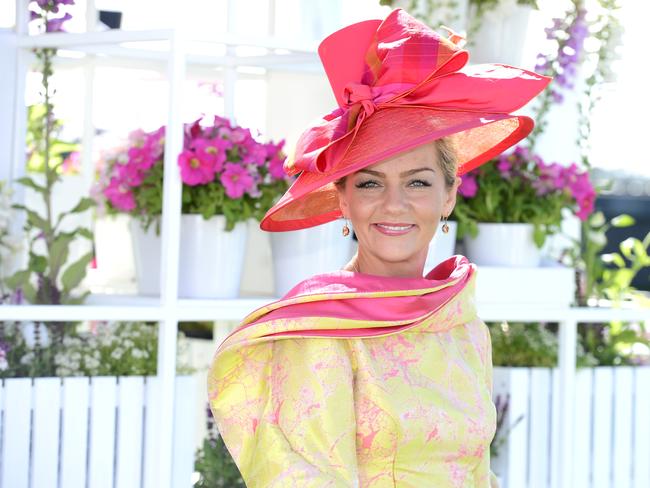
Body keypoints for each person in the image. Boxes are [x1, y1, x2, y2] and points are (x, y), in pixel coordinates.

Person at [208, 8, 550, 487]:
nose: (394, 204)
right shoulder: (322, 325)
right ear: (343, 199)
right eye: (370, 184)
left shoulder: (464, 324)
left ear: (448, 195)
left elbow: (476, 472)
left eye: (417, 182)